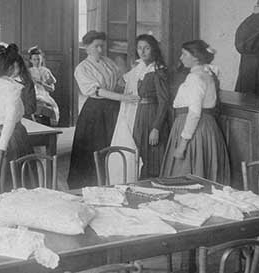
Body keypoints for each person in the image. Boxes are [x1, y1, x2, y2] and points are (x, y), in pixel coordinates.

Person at [69, 31, 138, 188]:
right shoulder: (82, 68)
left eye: (102, 46)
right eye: (96, 46)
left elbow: (120, 81)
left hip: (113, 109)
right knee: (95, 147)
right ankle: (90, 184)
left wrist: (134, 71)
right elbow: (98, 91)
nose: (100, 50)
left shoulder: (108, 62)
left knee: (112, 144)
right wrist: (121, 97)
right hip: (95, 111)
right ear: (86, 47)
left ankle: (111, 182)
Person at [161, 39, 230, 182]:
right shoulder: (207, 74)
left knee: (186, 175)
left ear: (196, 57)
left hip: (193, 130)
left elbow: (194, 113)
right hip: (207, 129)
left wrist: (182, 144)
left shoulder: (195, 77)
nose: (180, 58)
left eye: (184, 54)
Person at [131, 35, 170, 179]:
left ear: (153, 49)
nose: (142, 52)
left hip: (153, 115)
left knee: (153, 157)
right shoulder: (141, 68)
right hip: (141, 114)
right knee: (141, 153)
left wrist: (156, 127)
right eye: (140, 48)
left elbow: (164, 101)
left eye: (146, 48)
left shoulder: (158, 70)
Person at [27, 46, 60, 125]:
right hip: (32, 94)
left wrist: (42, 83)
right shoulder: (28, 72)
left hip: (44, 95)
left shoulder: (46, 71)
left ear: (42, 59)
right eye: (34, 59)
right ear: (31, 60)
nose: (37, 61)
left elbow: (52, 89)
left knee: (52, 108)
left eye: (39, 59)